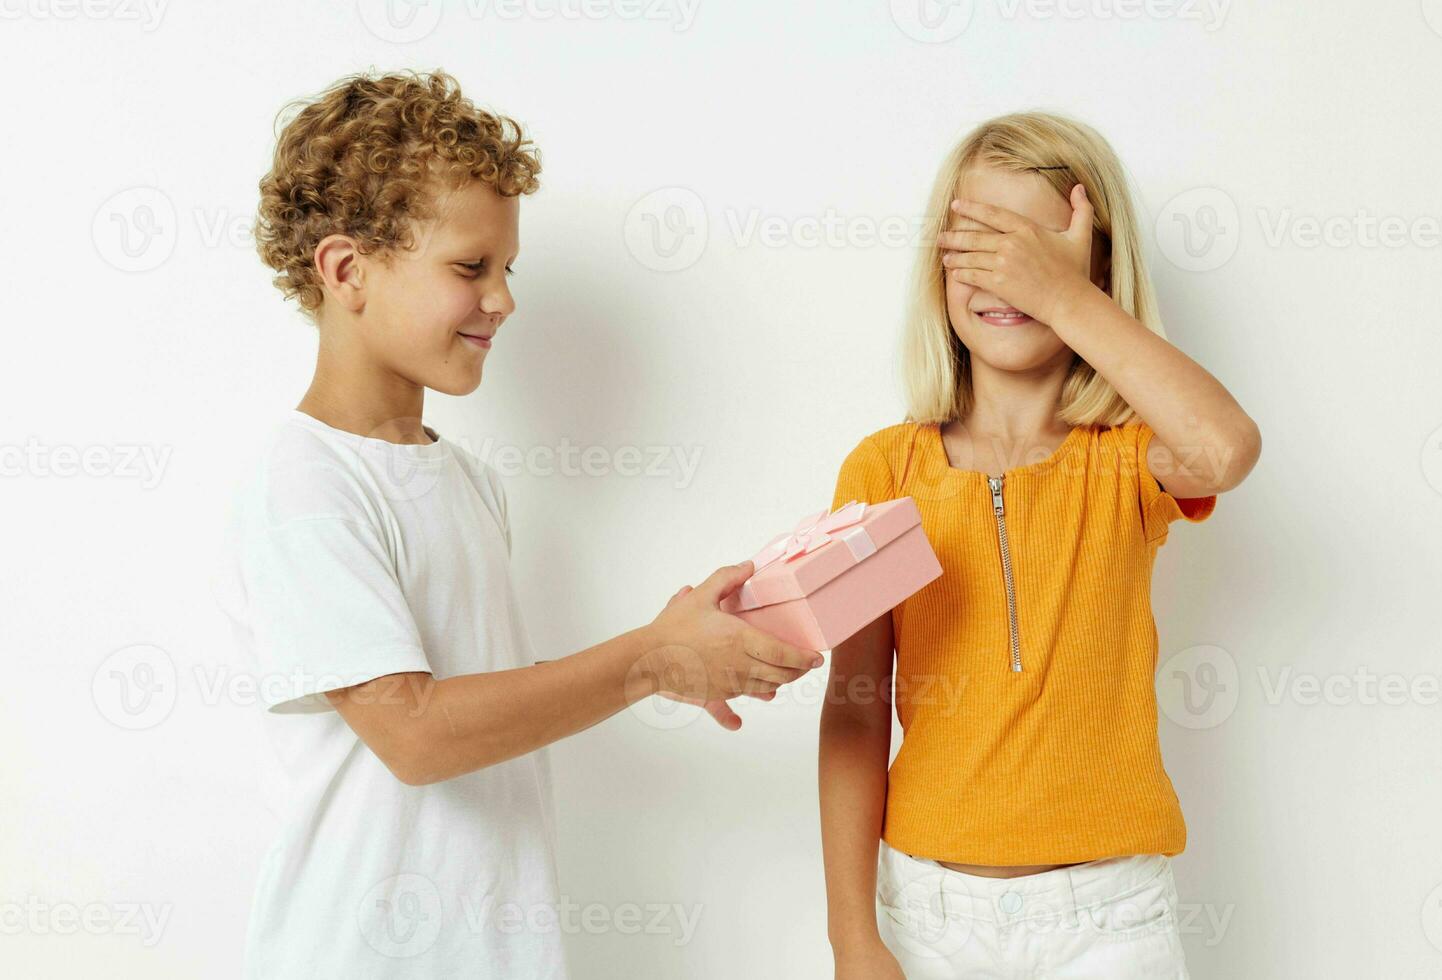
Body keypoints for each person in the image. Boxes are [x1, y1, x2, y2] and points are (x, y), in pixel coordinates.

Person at [217, 69, 821, 979]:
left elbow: (473, 696)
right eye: (470, 268)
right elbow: (415, 735)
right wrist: (646, 657)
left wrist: (673, 656)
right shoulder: (304, 483)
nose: (503, 299)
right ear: (346, 271)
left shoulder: (465, 480)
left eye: (507, 270)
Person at [819, 112, 1261, 979]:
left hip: (1111, 920)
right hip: (927, 915)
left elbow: (1226, 449)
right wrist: (851, 937)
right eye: (977, 243)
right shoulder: (884, 470)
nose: (1002, 273)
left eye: (1031, 249)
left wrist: (1063, 295)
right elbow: (855, 706)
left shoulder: (1132, 458)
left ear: (1096, 266)